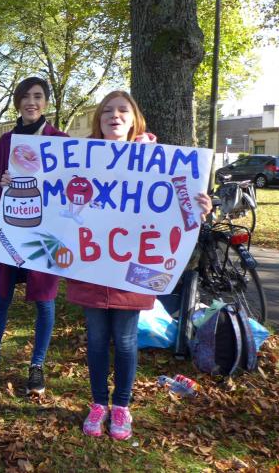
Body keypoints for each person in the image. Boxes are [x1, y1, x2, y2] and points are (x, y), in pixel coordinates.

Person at [66, 91, 211, 440]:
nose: (114, 116)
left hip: (131, 270)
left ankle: (121, 406)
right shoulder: (79, 158)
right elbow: (53, 196)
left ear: (134, 119)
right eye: (107, 111)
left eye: (122, 110)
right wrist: (13, 183)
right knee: (96, 339)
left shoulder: (159, 162)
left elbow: (179, 206)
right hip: (90, 266)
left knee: (126, 340)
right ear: (99, 119)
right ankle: (98, 403)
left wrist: (199, 208)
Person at [0, 77, 67, 395]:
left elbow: (72, 184)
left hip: (45, 233)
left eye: (38, 96)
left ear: (46, 102)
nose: (32, 102)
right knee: (1, 296)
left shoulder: (60, 141)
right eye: (25, 96)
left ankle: (37, 366)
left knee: (45, 300)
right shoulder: (6, 141)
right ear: (17, 102)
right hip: (10, 228)